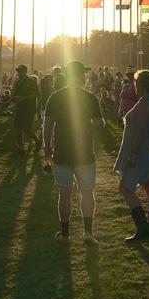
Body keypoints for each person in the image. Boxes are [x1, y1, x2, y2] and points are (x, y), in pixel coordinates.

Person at [43, 61, 104, 244]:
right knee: (87, 192)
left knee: (64, 193)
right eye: (83, 74)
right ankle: (88, 233)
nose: (85, 77)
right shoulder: (90, 97)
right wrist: (90, 125)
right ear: (80, 76)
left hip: (62, 151)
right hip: (84, 152)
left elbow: (47, 125)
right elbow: (99, 123)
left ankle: (65, 234)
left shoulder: (55, 97)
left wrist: (47, 149)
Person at [114, 69, 149, 242]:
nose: (134, 86)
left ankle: (143, 226)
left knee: (125, 188)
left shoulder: (145, 102)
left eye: (136, 82)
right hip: (148, 150)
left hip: (140, 151)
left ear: (141, 84)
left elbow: (141, 128)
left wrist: (133, 153)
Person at [11, 65, 39, 152]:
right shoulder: (17, 82)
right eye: (18, 71)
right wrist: (14, 98)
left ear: (25, 72)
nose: (19, 73)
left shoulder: (31, 82)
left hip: (29, 108)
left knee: (26, 130)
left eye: (21, 71)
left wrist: (24, 98)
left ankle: (37, 141)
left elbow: (35, 94)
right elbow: (14, 93)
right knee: (17, 128)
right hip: (19, 107)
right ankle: (21, 147)